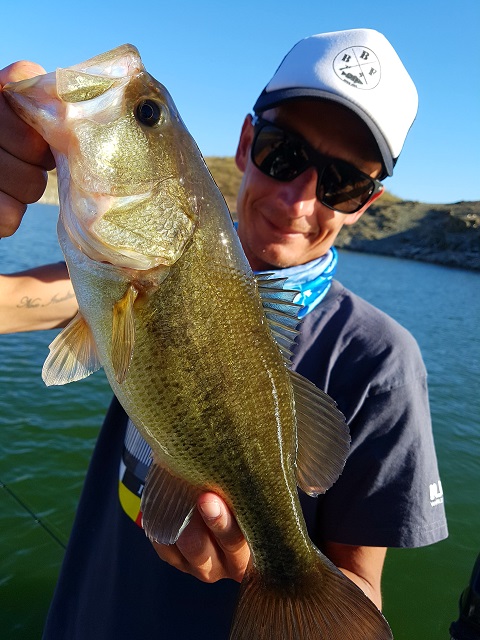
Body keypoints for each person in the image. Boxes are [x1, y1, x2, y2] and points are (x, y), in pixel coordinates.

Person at [0, 28, 448, 639]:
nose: (297, 199)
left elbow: (358, 589)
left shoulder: (383, 363)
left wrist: (271, 573)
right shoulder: (121, 275)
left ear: (366, 203)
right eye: (283, 153)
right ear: (245, 143)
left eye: (342, 182)